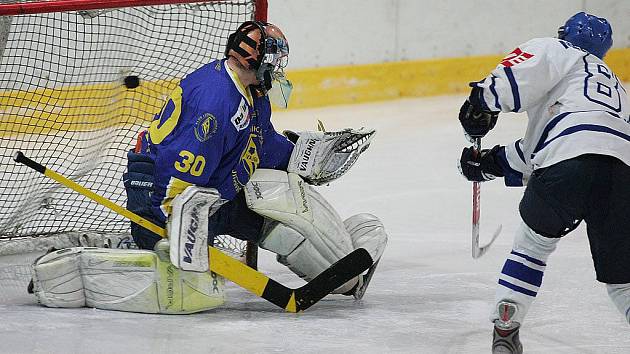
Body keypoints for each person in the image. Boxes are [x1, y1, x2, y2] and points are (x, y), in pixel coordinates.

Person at [29, 21, 387, 314]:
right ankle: (74, 268)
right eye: (274, 61)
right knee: (178, 285)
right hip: (163, 192)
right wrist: (173, 227)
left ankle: (342, 274)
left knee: (284, 227)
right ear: (253, 59)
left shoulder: (252, 94)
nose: (278, 71)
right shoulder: (214, 107)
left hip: (214, 190)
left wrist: (299, 155)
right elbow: (178, 175)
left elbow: (260, 142)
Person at [457, 12, 629, 354]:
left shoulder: (558, 49)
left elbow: (519, 79)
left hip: (565, 166)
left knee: (532, 248)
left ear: (565, 34)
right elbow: (553, 144)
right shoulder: (616, 89)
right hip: (622, 174)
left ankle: (507, 324)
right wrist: (490, 163)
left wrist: (482, 102)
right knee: (624, 281)